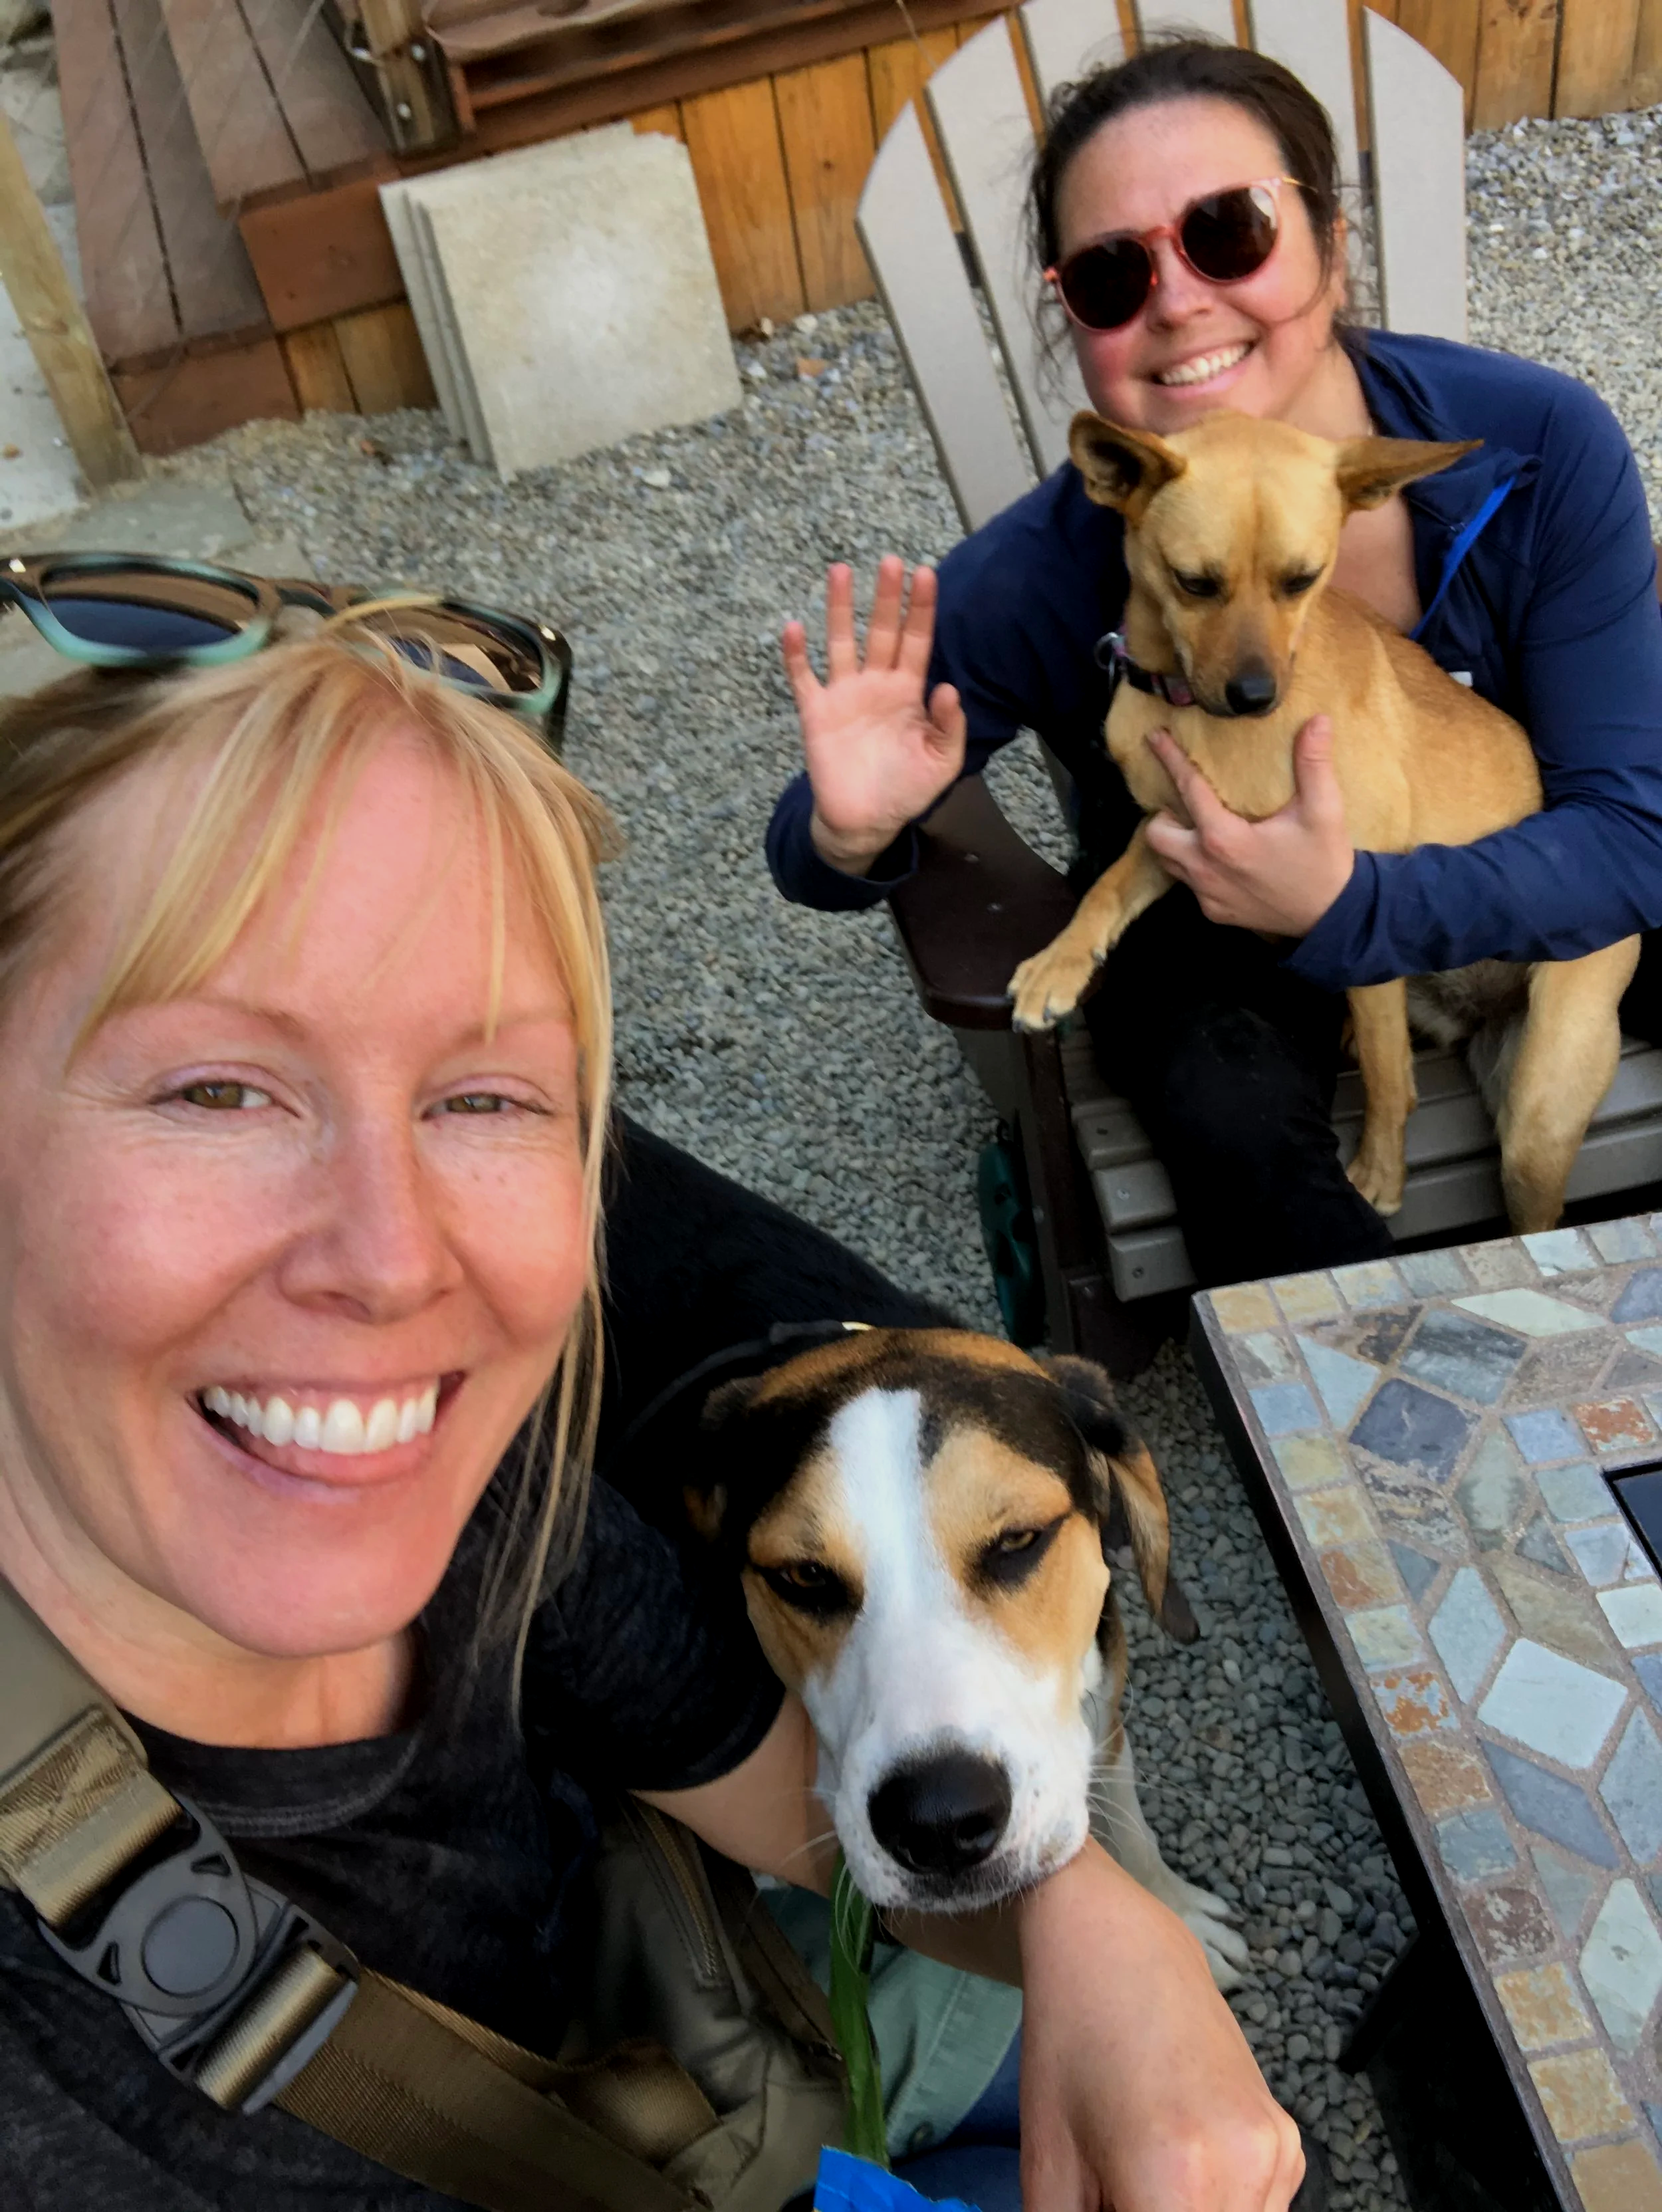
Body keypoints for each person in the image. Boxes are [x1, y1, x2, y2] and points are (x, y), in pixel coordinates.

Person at [0, 618, 1306, 2212]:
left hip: (698, 2069)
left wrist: (1099, 1919)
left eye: (485, 1096)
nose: (393, 1260)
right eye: (213, 1087)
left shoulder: (497, 1509)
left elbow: (791, 1793)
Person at [765, 39, 1662, 1289]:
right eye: (1111, 271)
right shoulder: (1051, 562)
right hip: (1204, 892)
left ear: (1331, 247)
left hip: (1510, 853)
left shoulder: (1538, 445)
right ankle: (1371, 1432)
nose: (1178, 301)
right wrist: (850, 834)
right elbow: (813, 834)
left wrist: (1361, 909)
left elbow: (1631, 830)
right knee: (1226, 1116)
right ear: (1072, 315)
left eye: (1230, 232)